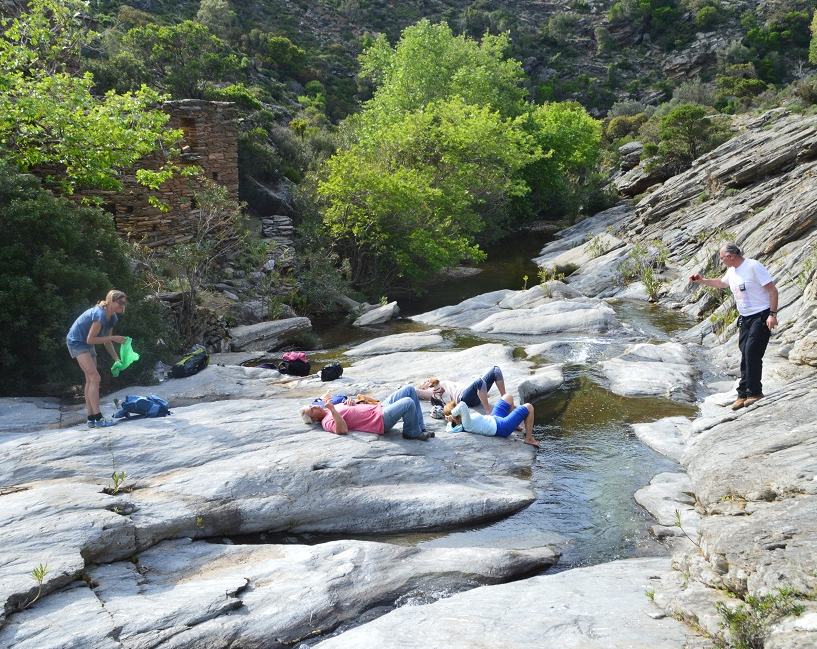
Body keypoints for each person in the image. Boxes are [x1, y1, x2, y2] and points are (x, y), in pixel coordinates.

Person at [689, 242, 778, 410]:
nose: (721, 261)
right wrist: (702, 281)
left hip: (761, 315)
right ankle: (742, 394)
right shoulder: (732, 270)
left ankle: (755, 393)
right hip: (745, 318)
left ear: (730, 256)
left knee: (752, 353)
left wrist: (772, 315)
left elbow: (773, 291)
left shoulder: (753, 266)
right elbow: (722, 284)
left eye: (722, 258)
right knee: (745, 353)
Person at [66, 290, 128, 428]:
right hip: (77, 342)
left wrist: (116, 359)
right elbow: (91, 339)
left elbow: (106, 341)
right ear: (111, 301)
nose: (122, 306)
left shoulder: (113, 318)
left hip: (87, 343)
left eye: (124, 303)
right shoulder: (100, 314)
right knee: (95, 377)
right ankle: (99, 419)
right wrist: (114, 337)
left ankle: (91, 419)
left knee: (90, 379)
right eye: (120, 302)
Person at [300, 385, 433, 441]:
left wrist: (350, 402)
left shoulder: (330, 407)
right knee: (408, 402)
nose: (315, 406)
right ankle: (411, 433)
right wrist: (333, 410)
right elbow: (342, 430)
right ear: (315, 419)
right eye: (312, 410)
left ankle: (420, 428)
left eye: (312, 405)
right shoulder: (326, 421)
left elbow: (350, 409)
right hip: (380, 420)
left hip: (379, 408)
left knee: (409, 389)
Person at [444, 394, 539, 447]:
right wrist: (452, 414)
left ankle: (515, 424)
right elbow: (462, 404)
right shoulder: (466, 424)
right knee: (529, 407)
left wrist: (450, 420)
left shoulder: (465, 420)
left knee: (508, 397)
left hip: (494, 418)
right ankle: (529, 439)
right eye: (455, 406)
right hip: (502, 427)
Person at [417, 366, 507, 413]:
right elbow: (417, 392)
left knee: (496, 370)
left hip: (475, 393)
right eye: (424, 383)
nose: (427, 381)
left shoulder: (442, 383)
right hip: (464, 398)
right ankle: (489, 412)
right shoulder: (432, 391)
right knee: (479, 382)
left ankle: (505, 400)